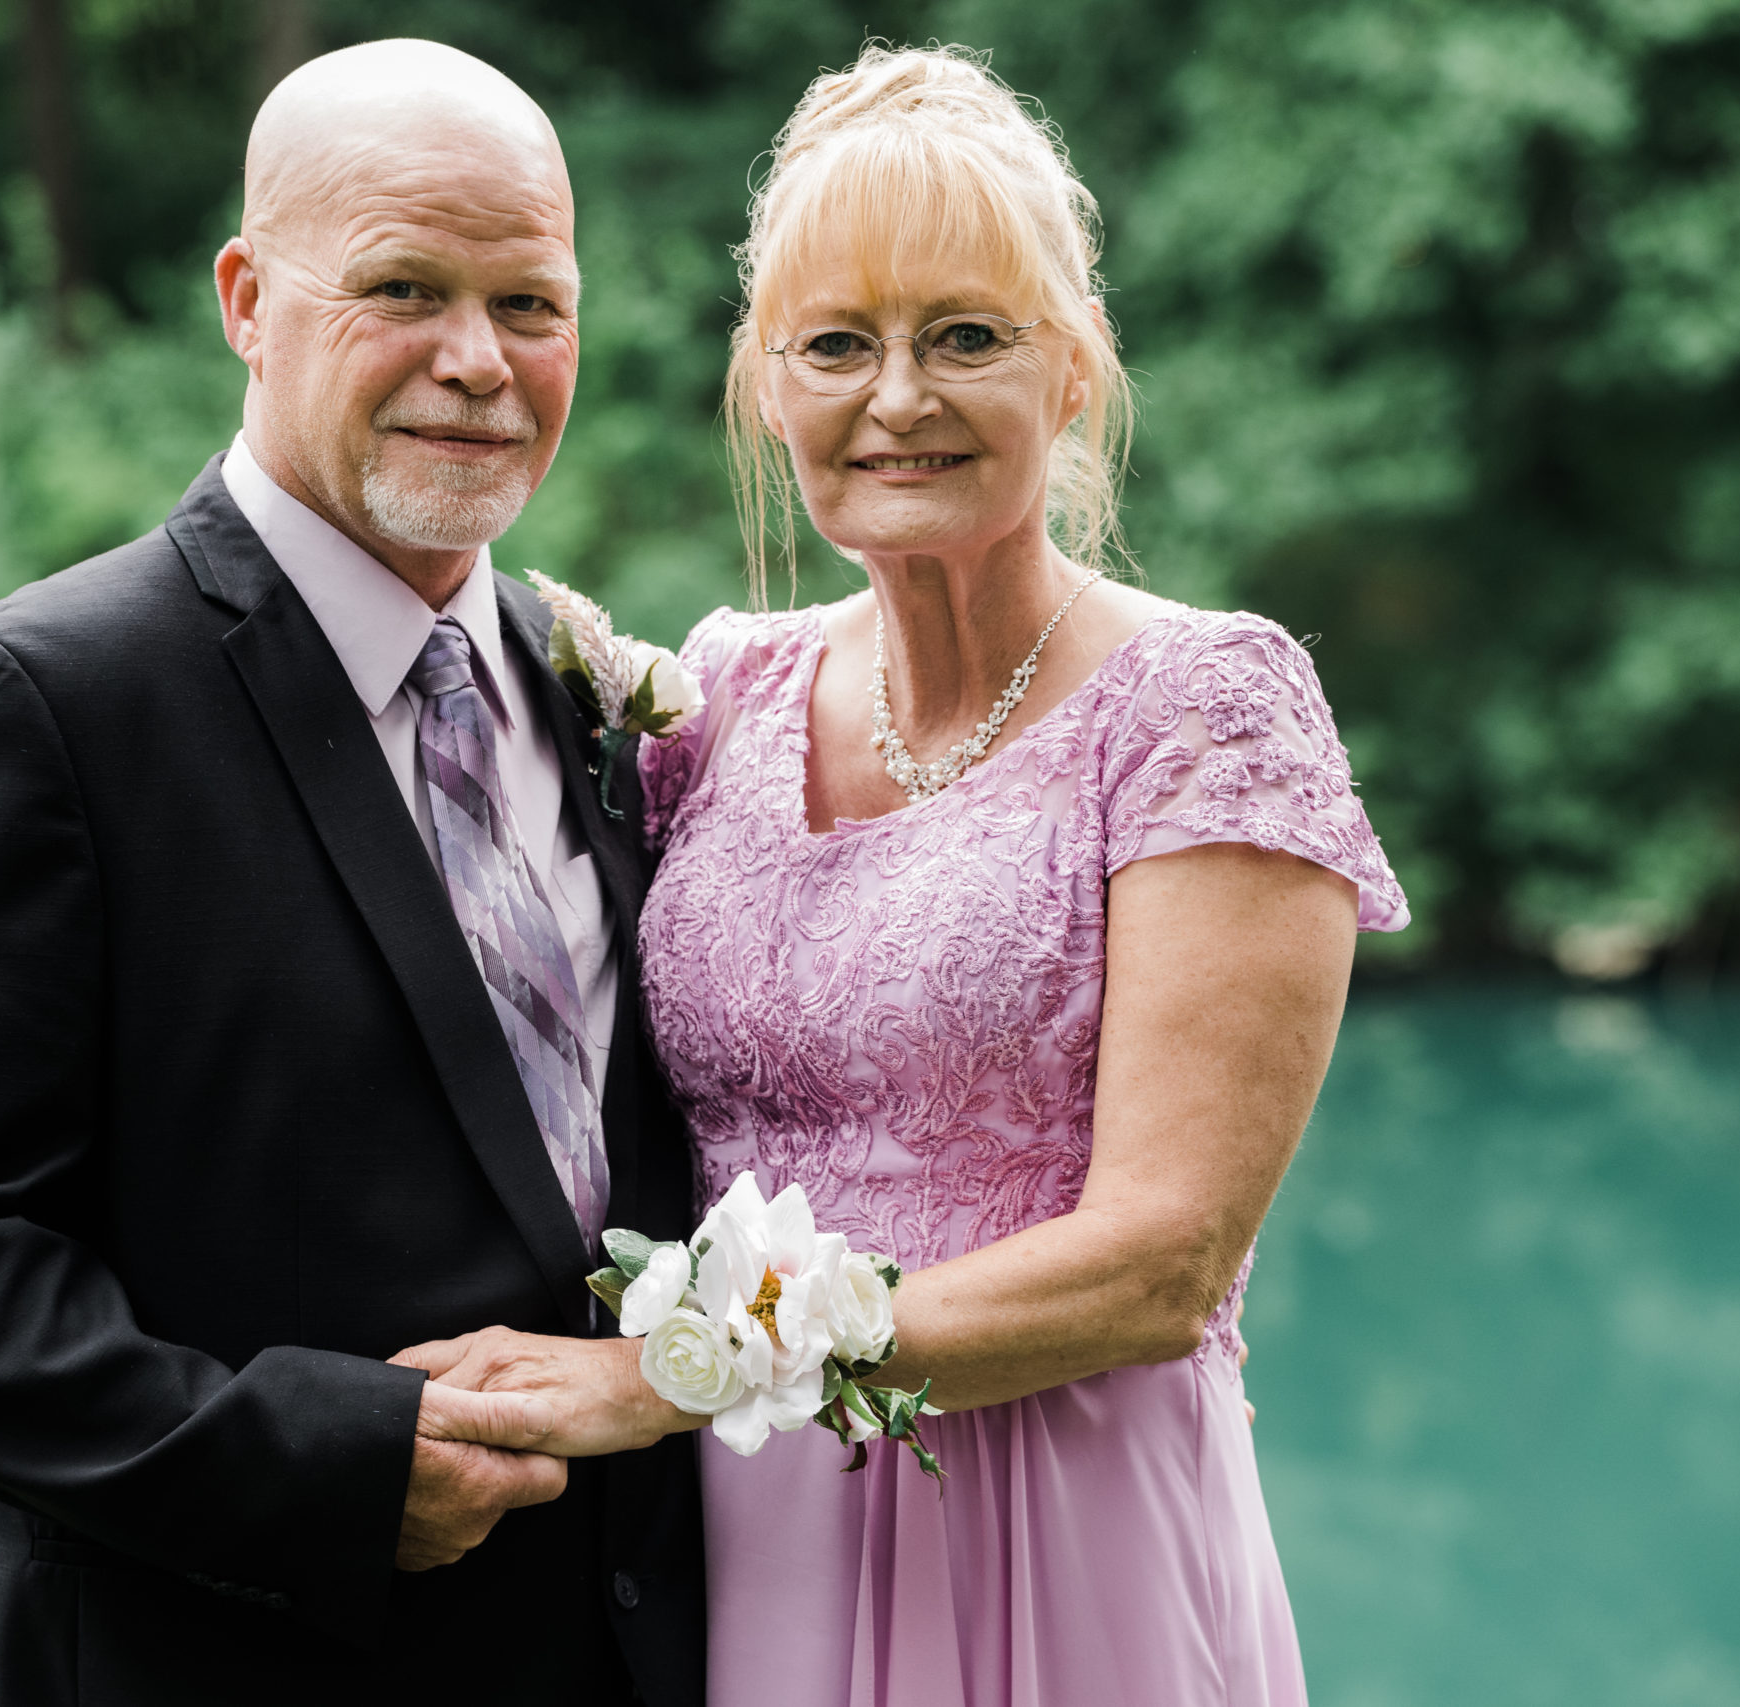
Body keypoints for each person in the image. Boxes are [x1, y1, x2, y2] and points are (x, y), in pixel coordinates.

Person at [422, 42, 1413, 1707]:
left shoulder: (1205, 707)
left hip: (1058, 1522)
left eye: (966, 337)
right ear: (768, 388)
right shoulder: (712, 700)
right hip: (729, 1544)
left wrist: (665, 1376)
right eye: (837, 346)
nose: (897, 399)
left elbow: (1162, 1263)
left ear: (1074, 371)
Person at [0, 40, 704, 1706]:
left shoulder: (586, 683)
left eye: (532, 304)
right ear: (249, 299)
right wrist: (314, 1461)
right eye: (404, 287)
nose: (479, 362)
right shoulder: (38, 701)